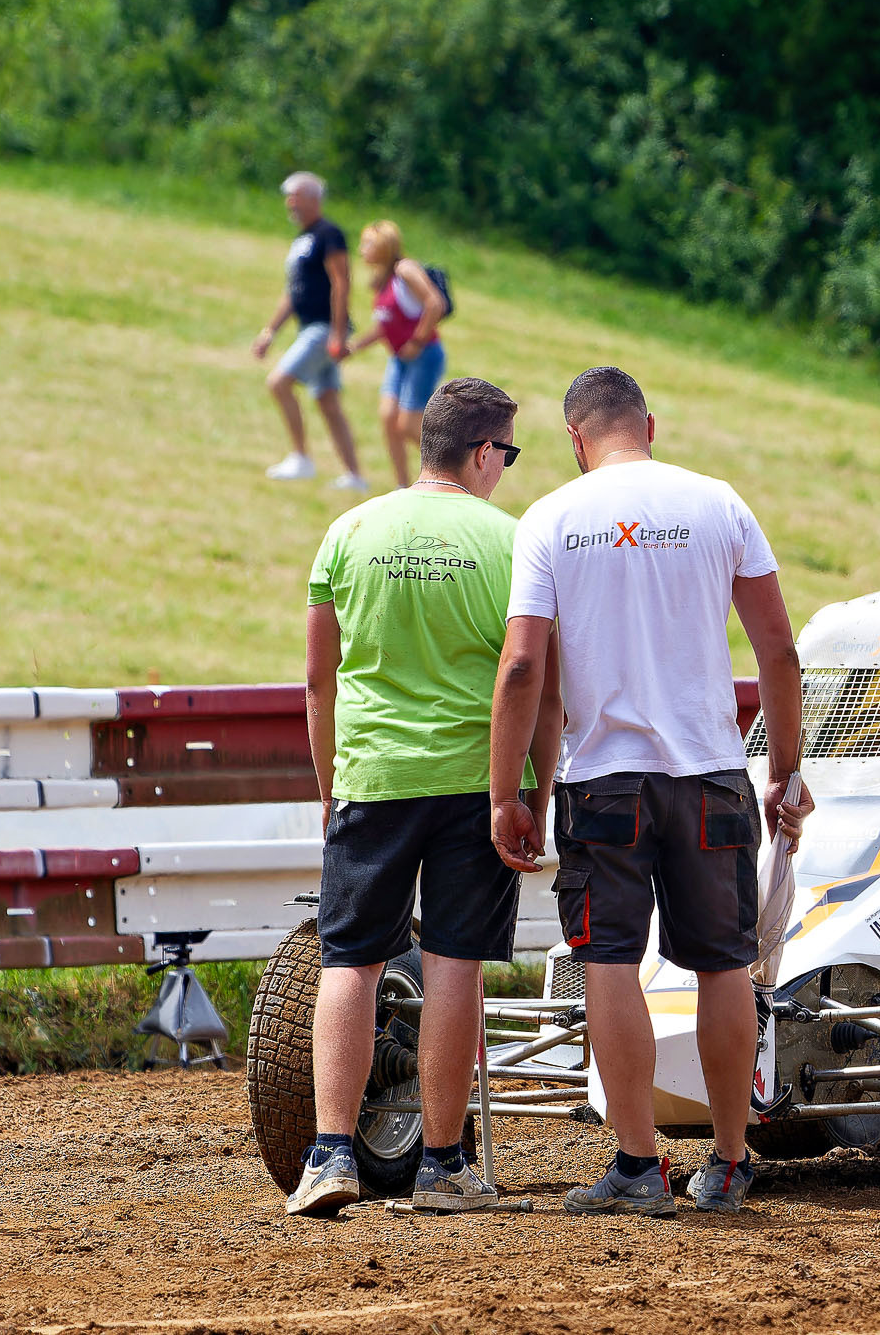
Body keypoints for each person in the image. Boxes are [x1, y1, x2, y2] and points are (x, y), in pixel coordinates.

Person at [489, 366, 814, 1217]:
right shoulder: (719, 503)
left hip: (604, 782)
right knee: (723, 965)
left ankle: (638, 1164)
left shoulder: (551, 517)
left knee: (608, 960)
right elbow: (778, 651)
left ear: (574, 438)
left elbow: (522, 665)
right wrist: (784, 768)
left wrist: (508, 790)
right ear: (650, 425)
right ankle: (730, 1161)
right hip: (709, 772)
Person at [288, 377, 561, 1217]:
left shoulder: (348, 530)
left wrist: (330, 784)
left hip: (373, 775)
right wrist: (535, 791)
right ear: (483, 452)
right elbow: (539, 683)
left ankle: (331, 1153)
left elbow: (317, 679)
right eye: (507, 453)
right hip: (476, 781)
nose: (506, 468)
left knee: (350, 962)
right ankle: (442, 1164)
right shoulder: (513, 541)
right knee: (453, 963)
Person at [251, 172, 369, 492]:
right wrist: (270, 331)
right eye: (288, 197)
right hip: (309, 326)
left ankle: (301, 458)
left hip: (324, 328)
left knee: (279, 383)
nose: (290, 203)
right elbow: (294, 292)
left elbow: (341, 282)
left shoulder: (329, 234)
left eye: (296, 196)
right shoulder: (301, 239)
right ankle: (354, 477)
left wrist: (338, 332)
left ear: (314, 199)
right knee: (328, 401)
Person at [350, 221, 449, 490]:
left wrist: (416, 341)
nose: (362, 250)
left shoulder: (404, 270)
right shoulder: (381, 280)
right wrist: (353, 347)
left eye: (368, 244)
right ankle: (402, 486)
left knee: (408, 424)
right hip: (399, 359)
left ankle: (453, 466)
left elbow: (435, 303)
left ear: (384, 246)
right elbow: (384, 327)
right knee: (388, 418)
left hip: (424, 355)